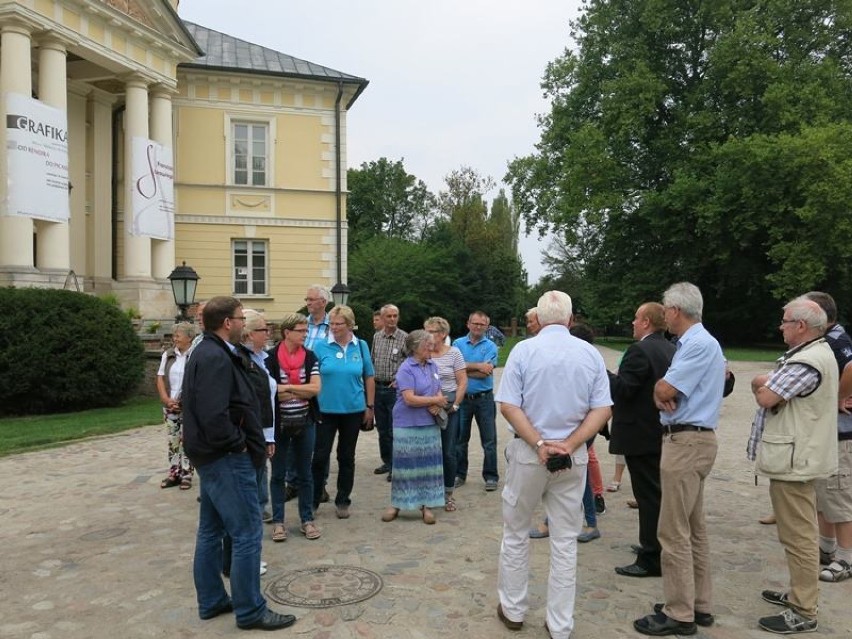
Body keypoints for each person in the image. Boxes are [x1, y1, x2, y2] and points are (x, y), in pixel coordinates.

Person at [495, 290, 612, 638]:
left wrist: (540, 443)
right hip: (572, 458)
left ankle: (513, 609)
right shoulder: (590, 354)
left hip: (530, 453)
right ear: (571, 320)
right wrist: (572, 443)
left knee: (515, 532)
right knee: (564, 541)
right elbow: (603, 408)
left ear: (540, 320)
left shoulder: (524, 351)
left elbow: (508, 406)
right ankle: (560, 624)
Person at [181, 296, 295, 631]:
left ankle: (213, 600)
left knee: (211, 530)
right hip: (226, 458)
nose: (243, 323)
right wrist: (240, 446)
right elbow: (214, 414)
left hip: (213, 456)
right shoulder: (214, 355)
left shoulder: (209, 351)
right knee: (246, 533)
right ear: (227, 323)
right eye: (239, 318)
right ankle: (250, 610)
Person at [633, 282, 725, 637]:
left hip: (685, 442)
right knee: (694, 527)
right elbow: (665, 390)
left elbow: (666, 389)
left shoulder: (697, 344)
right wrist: (661, 392)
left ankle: (680, 611)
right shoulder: (701, 343)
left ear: (675, 311)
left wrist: (660, 391)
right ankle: (698, 603)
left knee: (672, 530)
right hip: (694, 440)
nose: (665, 315)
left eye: (667, 309)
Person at [748, 297, 838, 634]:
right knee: (797, 533)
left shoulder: (806, 361)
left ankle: (803, 608)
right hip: (797, 457)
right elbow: (772, 389)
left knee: (799, 536)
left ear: (801, 326)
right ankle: (799, 595)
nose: (780, 326)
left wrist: (761, 383)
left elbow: (767, 396)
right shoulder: (810, 355)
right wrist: (766, 383)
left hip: (795, 460)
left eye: (785, 321)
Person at [608, 302, 676, 578]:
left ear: (647, 321)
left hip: (639, 432)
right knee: (655, 493)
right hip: (659, 431)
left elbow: (625, 390)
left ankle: (651, 556)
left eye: (636, 318)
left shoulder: (640, 350)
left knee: (647, 496)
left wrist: (604, 375)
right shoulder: (671, 348)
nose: (633, 323)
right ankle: (655, 546)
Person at [804, 291, 852, 582]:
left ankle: (846, 558)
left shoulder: (838, 341)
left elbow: (850, 367)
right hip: (827, 434)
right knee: (825, 494)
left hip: (841, 433)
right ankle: (826, 548)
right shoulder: (829, 340)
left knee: (838, 494)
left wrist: (839, 397)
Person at [312, 305, 375, 519]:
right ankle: (314, 497)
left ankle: (343, 499)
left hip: (353, 410)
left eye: (339, 323)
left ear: (350, 325)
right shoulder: (320, 347)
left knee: (346, 457)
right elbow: (311, 376)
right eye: (332, 323)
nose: (334, 327)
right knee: (320, 456)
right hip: (325, 410)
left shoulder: (361, 346)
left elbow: (369, 376)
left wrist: (370, 406)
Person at [381, 330, 448, 525]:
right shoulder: (406, 368)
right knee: (405, 466)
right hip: (407, 423)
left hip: (428, 423)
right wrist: (435, 400)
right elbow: (409, 399)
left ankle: (426, 505)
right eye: (428, 344)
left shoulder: (432, 365)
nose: (432, 347)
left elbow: (439, 391)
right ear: (416, 347)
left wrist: (438, 402)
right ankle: (398, 503)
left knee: (428, 466)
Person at [266, 313, 322, 541]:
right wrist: (300, 389)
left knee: (305, 473)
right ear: (287, 332)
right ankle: (279, 522)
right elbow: (269, 394)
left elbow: (315, 389)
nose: (305, 334)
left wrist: (286, 387)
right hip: (278, 425)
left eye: (306, 331)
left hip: (305, 421)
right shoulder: (270, 358)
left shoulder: (310, 357)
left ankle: (306, 520)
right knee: (278, 474)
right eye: (301, 331)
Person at [424, 317, 468, 512]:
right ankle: (429, 492)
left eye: (432, 331)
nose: (428, 335)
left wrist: (455, 405)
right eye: (426, 331)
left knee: (448, 451)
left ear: (443, 334)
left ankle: (448, 493)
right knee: (428, 451)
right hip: (426, 407)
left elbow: (462, 382)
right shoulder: (423, 354)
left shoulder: (454, 354)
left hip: (449, 407)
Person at [454, 311, 500, 491]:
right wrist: (478, 366)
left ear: (487, 327)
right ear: (468, 324)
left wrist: (464, 368)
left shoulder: (491, 346)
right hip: (462, 398)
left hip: (484, 399)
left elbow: (485, 373)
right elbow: (453, 368)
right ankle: (459, 474)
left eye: (482, 324)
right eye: (475, 323)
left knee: (489, 440)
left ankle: (491, 476)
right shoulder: (457, 343)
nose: (478, 327)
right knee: (460, 439)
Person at [157, 322, 196, 490]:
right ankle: (174, 472)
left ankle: (187, 473)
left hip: (188, 406)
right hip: (170, 404)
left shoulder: (194, 355)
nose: (175, 339)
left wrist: (184, 402)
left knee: (187, 440)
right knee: (173, 441)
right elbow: (160, 377)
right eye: (174, 336)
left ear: (189, 337)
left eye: (178, 336)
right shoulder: (169, 354)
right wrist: (166, 399)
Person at [371, 304, 408, 480]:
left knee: (395, 429)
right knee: (383, 429)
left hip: (395, 390)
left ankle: (397, 465)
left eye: (395, 316)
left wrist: (400, 380)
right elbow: (372, 360)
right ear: (383, 318)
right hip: (378, 387)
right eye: (389, 316)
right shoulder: (377, 337)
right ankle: (387, 461)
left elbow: (410, 363)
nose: (392, 319)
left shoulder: (404, 338)